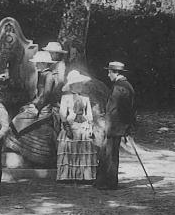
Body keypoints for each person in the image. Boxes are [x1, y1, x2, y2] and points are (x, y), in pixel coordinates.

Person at [95, 61, 136, 190]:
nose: (108, 75)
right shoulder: (126, 85)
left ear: (116, 73)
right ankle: (103, 181)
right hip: (118, 126)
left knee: (109, 155)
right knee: (108, 154)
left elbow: (113, 110)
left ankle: (109, 183)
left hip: (114, 126)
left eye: (109, 72)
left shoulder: (119, 87)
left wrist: (107, 126)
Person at [57, 70, 98, 182]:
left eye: (81, 83)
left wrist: (90, 125)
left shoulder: (85, 97)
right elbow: (62, 113)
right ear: (72, 85)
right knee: (69, 148)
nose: (80, 85)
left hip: (83, 125)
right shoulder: (66, 97)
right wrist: (66, 126)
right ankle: (68, 176)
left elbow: (89, 113)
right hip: (71, 124)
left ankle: (84, 176)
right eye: (77, 83)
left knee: (84, 148)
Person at [11, 50, 59, 134]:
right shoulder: (42, 74)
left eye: (38, 63)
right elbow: (39, 94)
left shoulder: (49, 76)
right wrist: (30, 104)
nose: (36, 65)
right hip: (39, 103)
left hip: (44, 107)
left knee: (19, 119)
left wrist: (35, 106)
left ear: (43, 63)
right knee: (20, 114)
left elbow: (46, 94)